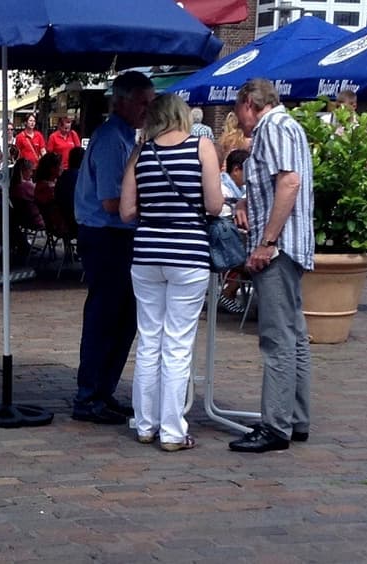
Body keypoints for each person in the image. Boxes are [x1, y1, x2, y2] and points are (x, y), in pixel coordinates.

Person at [119, 93, 223, 451]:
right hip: (188, 254)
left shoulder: (141, 153)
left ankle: (145, 424)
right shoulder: (201, 147)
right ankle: (172, 431)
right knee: (177, 344)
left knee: (149, 340)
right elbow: (214, 204)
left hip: (147, 254)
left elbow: (126, 212)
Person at [228, 78, 314, 453]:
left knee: (277, 337)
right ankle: (294, 418)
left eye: (237, 110)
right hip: (291, 245)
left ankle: (276, 425)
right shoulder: (287, 126)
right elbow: (279, 181)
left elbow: (289, 182)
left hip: (279, 248)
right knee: (293, 334)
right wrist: (247, 201)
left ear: (249, 102)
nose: (237, 120)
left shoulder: (272, 127)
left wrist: (267, 241)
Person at [71, 70, 155, 424]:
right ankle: (89, 396)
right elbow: (110, 201)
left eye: (151, 103)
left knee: (123, 319)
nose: (148, 110)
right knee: (105, 317)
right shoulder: (111, 140)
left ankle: (103, 391)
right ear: (121, 102)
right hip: (107, 236)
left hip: (117, 235)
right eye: (143, 103)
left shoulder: (126, 138)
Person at [218, 149, 250, 314]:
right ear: (236, 170)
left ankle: (228, 293)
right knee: (253, 262)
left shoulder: (240, 190)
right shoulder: (224, 190)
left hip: (234, 245)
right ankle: (227, 294)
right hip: (224, 246)